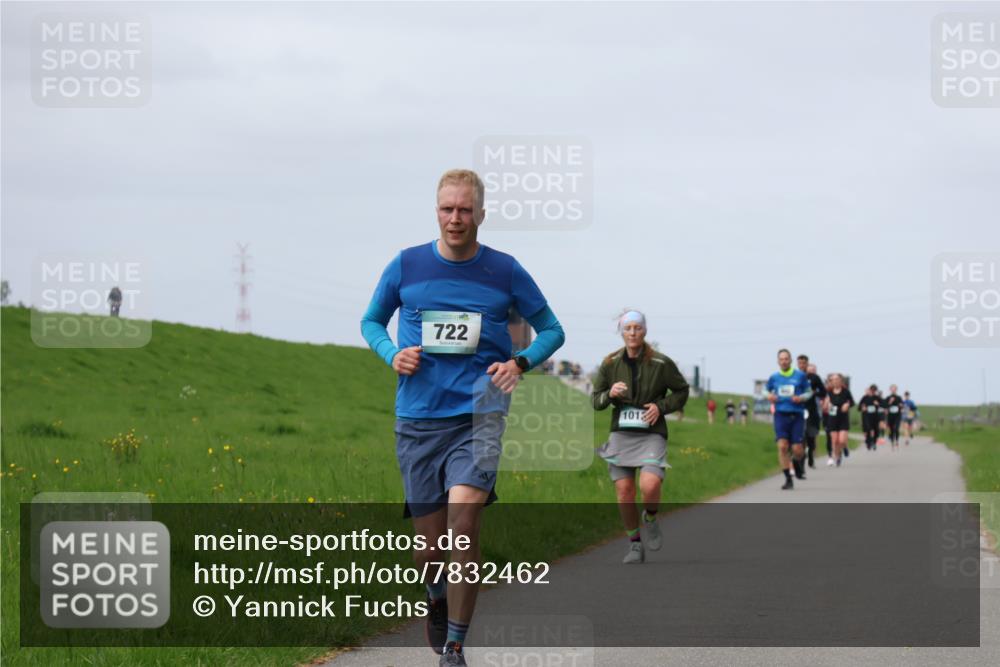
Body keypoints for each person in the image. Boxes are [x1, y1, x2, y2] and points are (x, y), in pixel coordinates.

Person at [360, 169, 565, 666]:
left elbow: (552, 330)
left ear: (481, 214)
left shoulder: (505, 270)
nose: (456, 218)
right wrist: (392, 353)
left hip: (480, 413)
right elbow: (371, 321)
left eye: (465, 210)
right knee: (429, 551)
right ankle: (436, 593)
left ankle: (454, 645)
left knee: (464, 523)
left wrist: (518, 362)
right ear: (436, 211)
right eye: (448, 209)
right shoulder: (406, 265)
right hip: (419, 418)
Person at [592, 310, 689, 564]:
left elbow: (681, 390)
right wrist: (610, 394)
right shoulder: (611, 363)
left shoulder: (660, 362)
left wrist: (661, 407)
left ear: (645, 331)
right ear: (621, 332)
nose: (632, 333)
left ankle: (651, 517)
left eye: (637, 328)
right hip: (621, 433)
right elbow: (596, 401)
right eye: (628, 328)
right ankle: (634, 544)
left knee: (650, 485)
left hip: (651, 432)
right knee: (624, 491)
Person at [765, 349, 813, 489]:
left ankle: (798, 462)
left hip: (797, 415)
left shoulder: (800, 376)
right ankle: (788, 479)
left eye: (786, 358)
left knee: (797, 449)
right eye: (781, 359)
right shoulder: (774, 377)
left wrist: (801, 398)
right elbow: (765, 390)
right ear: (778, 361)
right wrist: (769, 396)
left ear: (791, 360)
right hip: (780, 415)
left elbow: (809, 392)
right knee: (782, 446)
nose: (784, 361)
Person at [796, 355, 826, 470]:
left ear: (807, 364)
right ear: (797, 364)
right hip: (798, 409)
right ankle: (801, 463)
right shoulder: (795, 377)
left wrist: (815, 393)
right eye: (800, 363)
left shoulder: (814, 378)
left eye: (804, 363)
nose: (802, 365)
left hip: (811, 410)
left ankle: (811, 456)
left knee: (810, 437)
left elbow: (823, 393)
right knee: (801, 437)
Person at [823, 374, 854, 466]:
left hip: (843, 418)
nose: (835, 381)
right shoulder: (828, 392)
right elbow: (824, 406)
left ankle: (845, 447)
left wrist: (847, 405)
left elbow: (851, 402)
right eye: (833, 380)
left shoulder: (846, 392)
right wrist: (826, 405)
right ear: (831, 382)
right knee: (835, 441)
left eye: (837, 379)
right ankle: (838, 457)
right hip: (832, 419)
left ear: (841, 381)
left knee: (842, 441)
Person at [858, 384, 881, 451]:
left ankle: (874, 442)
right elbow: (859, 408)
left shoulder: (877, 397)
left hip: (875, 417)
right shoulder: (864, 398)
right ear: (870, 390)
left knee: (876, 430)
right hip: (866, 417)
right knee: (868, 429)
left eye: (875, 390)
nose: (873, 391)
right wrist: (862, 408)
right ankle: (868, 443)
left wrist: (878, 404)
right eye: (872, 390)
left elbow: (884, 405)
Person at [884, 384, 904, 450]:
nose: (893, 390)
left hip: (897, 415)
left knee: (896, 428)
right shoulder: (888, 398)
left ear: (896, 389)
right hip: (890, 416)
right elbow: (884, 406)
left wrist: (901, 406)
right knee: (892, 429)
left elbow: (902, 406)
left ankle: (897, 441)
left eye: (894, 388)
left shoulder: (899, 397)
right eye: (892, 388)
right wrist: (890, 402)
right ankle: (892, 442)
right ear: (890, 389)